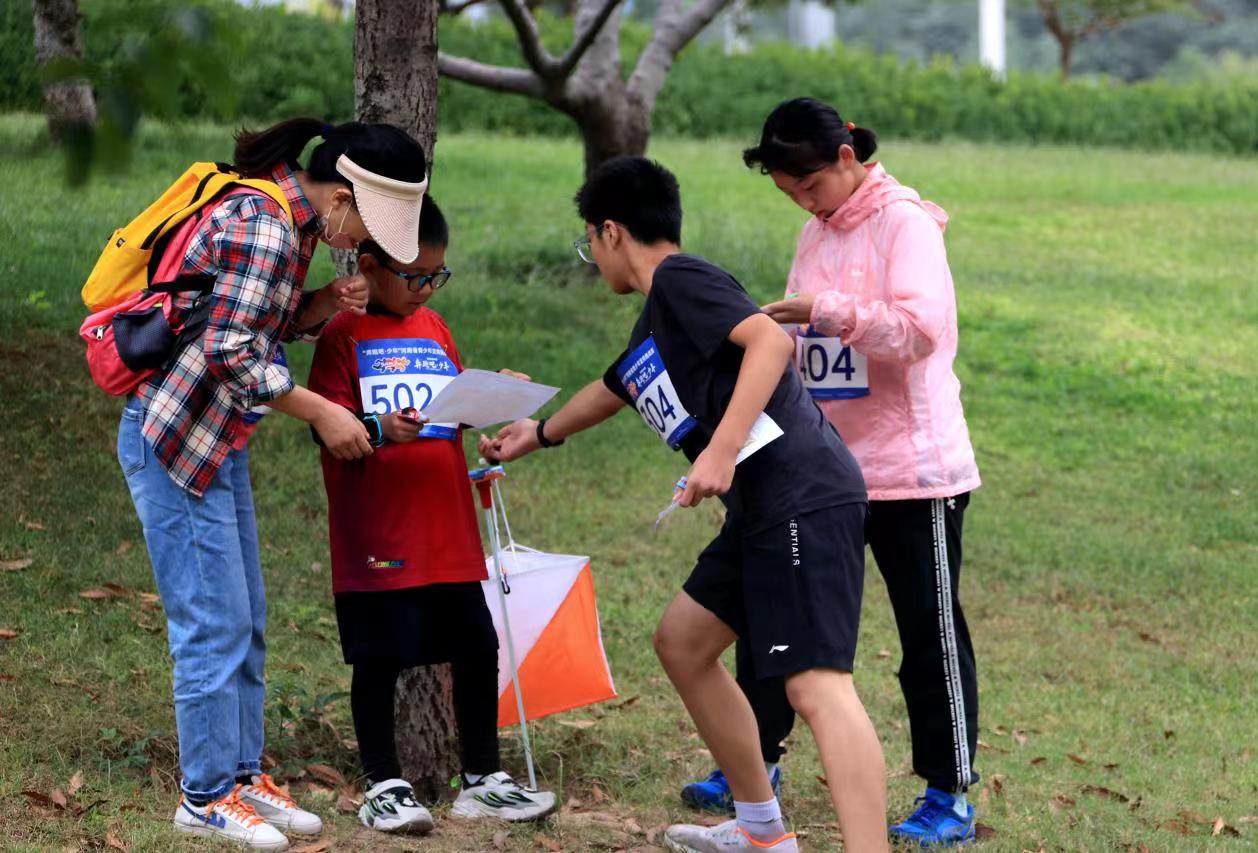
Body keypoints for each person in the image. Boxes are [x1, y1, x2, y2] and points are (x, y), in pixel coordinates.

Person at [481, 156, 888, 853]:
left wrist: (720, 451)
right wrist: (539, 433)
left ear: (611, 232)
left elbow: (770, 341)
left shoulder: (681, 278)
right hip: (760, 507)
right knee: (684, 642)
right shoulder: (658, 318)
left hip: (802, 495)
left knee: (816, 686)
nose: (592, 257)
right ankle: (761, 831)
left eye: (589, 242)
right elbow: (615, 387)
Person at [116, 117, 428, 850]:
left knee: (246, 617)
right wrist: (322, 410)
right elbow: (229, 350)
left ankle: (243, 775)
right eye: (367, 224)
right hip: (176, 438)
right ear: (342, 197)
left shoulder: (295, 222)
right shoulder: (265, 224)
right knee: (210, 623)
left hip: (214, 438)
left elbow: (253, 321)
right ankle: (204, 797)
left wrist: (320, 302)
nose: (363, 241)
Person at [680, 97, 982, 848]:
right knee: (773, 611)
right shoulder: (816, 231)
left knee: (928, 631)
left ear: (847, 158)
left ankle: (948, 793)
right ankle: (755, 763)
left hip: (912, 473)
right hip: (822, 473)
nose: (806, 203)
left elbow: (921, 331)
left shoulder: (906, 223)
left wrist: (828, 311)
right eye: (791, 194)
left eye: (811, 186)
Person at [306, 194, 557, 833]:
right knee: (379, 656)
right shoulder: (342, 336)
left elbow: (449, 407)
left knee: (476, 645)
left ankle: (483, 779)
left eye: (435, 277)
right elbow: (324, 427)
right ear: (368, 266)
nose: (424, 289)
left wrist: (495, 400)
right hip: (379, 532)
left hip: (447, 530)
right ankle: (383, 785)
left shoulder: (436, 327)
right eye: (414, 277)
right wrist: (379, 428)